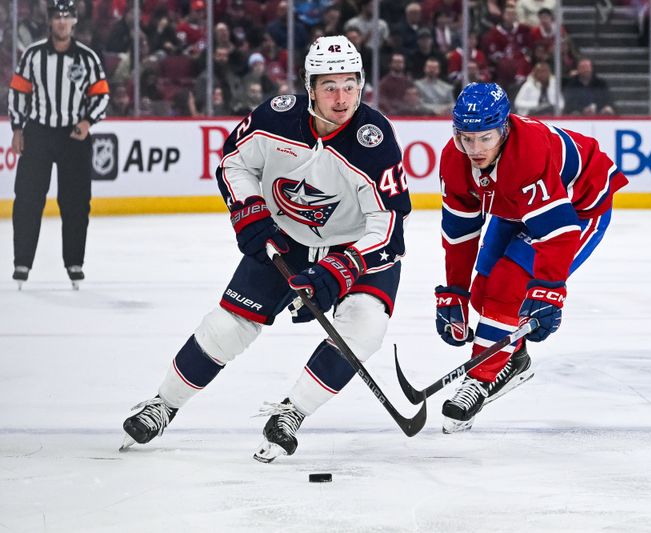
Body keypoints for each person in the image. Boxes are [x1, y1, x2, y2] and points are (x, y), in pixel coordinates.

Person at [121, 36, 411, 463]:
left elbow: (388, 223)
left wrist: (340, 268)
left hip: (355, 248)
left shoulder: (374, 139)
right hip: (287, 238)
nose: (341, 97)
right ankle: (162, 405)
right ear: (309, 87)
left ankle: (293, 412)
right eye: (329, 86)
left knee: (364, 326)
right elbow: (233, 162)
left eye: (350, 85)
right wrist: (250, 211)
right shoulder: (274, 118)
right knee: (228, 325)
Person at [435, 83, 628, 433]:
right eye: (466, 138)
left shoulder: (528, 154)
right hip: (515, 208)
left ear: (504, 130)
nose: (474, 149)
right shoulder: (454, 160)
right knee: (482, 294)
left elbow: (558, 232)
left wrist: (548, 290)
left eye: (485, 138)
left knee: (509, 285)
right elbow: (459, 236)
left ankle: (479, 380)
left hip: (579, 209)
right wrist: (455, 292)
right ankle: (513, 360)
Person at [7, 0, 109, 289]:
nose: (62, 22)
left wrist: (88, 122)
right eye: (57, 17)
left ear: (74, 21)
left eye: (67, 17)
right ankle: (22, 262)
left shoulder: (87, 58)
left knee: (76, 203)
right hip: (38, 132)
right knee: (27, 199)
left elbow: (101, 95)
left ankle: (74, 262)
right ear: (50, 21)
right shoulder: (32, 55)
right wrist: (17, 127)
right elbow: (18, 94)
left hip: (73, 137)